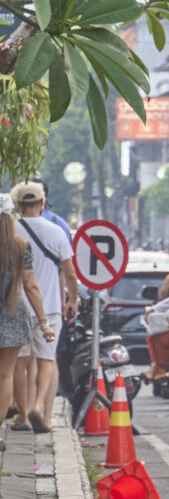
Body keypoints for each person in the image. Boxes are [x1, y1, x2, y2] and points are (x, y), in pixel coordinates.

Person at [10, 181, 78, 433]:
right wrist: (73, 299)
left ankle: (24, 417)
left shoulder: (10, 231)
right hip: (48, 307)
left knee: (19, 362)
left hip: (16, 306)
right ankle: (39, 406)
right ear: (42, 203)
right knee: (46, 359)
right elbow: (69, 272)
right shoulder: (57, 232)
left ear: (18, 205)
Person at [0, 197, 55, 450]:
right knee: (5, 375)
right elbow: (31, 287)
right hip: (11, 313)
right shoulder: (20, 246)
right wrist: (44, 322)